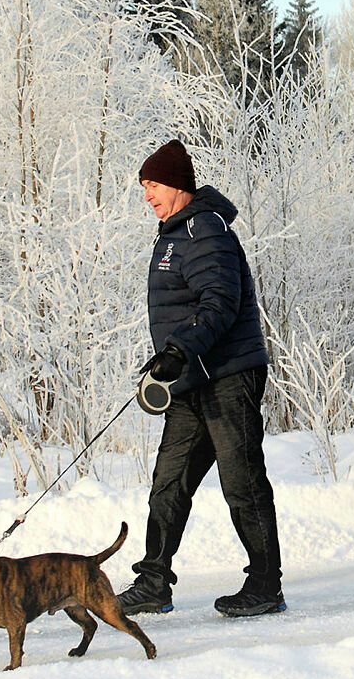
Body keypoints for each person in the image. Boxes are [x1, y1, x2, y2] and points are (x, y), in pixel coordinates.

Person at [115, 139, 286, 618]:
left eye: (153, 185)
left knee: (242, 482)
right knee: (169, 482)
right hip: (193, 379)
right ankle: (153, 582)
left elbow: (219, 302)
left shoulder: (204, 229)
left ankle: (265, 586)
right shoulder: (172, 234)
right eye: (144, 186)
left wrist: (179, 349)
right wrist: (171, 359)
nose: (147, 195)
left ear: (177, 185)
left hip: (228, 376)